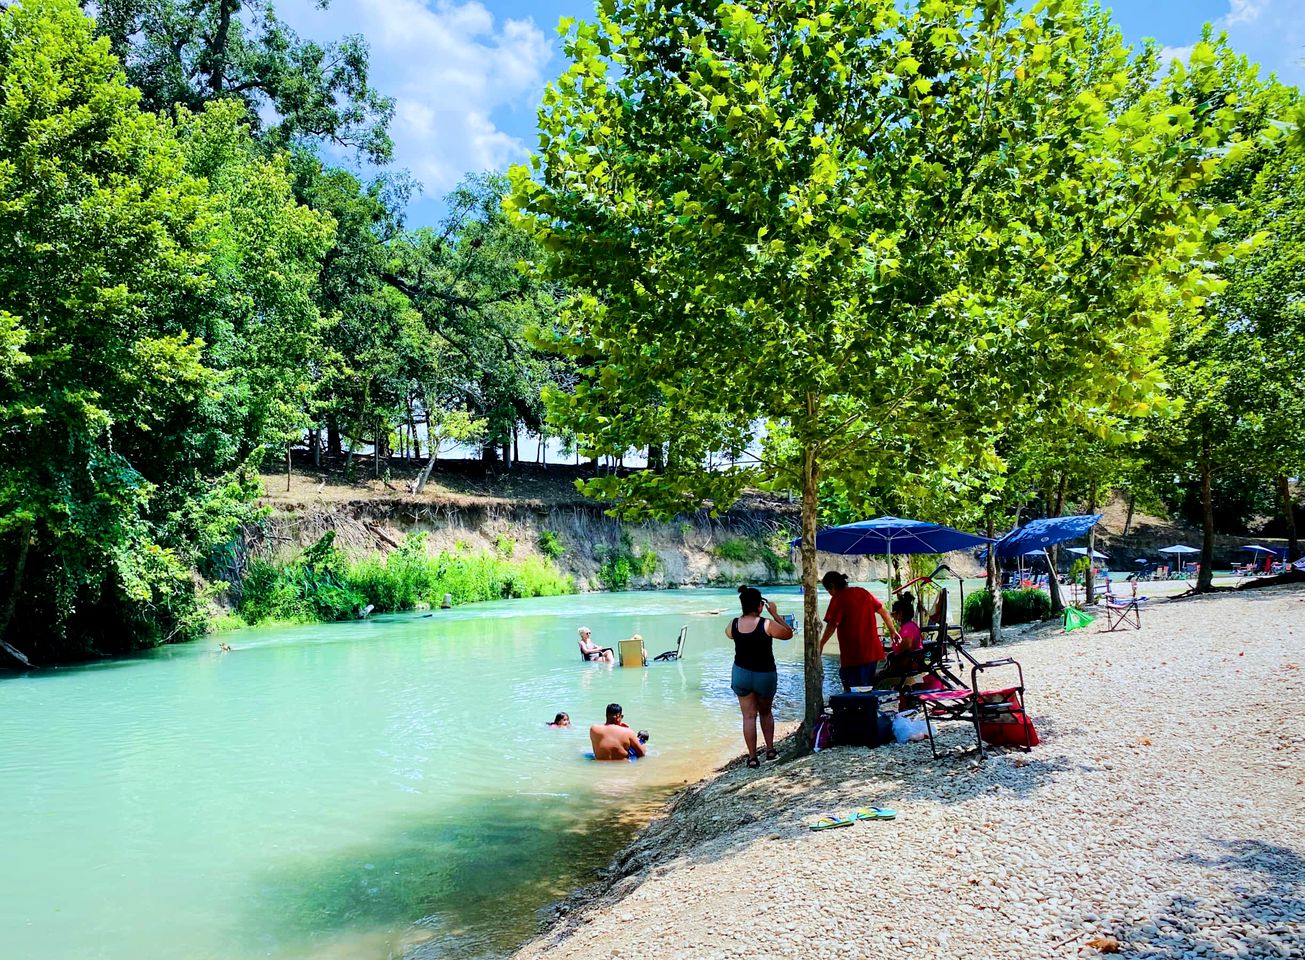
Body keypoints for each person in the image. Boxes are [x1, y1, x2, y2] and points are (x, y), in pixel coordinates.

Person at [726, 586, 794, 768]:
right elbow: (789, 633)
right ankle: (770, 750)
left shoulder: (733, 624)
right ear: (760, 606)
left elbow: (729, 635)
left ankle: (752, 757)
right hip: (764, 674)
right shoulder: (767, 624)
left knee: (748, 717)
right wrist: (775, 613)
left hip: (741, 674)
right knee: (765, 712)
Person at [819, 571, 900, 692]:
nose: (830, 594)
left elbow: (832, 624)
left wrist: (821, 644)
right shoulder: (863, 592)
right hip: (872, 652)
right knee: (866, 690)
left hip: (854, 655)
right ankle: (869, 710)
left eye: (828, 590)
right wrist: (893, 631)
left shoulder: (838, 599)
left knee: (854, 695)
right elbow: (883, 611)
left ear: (832, 586)